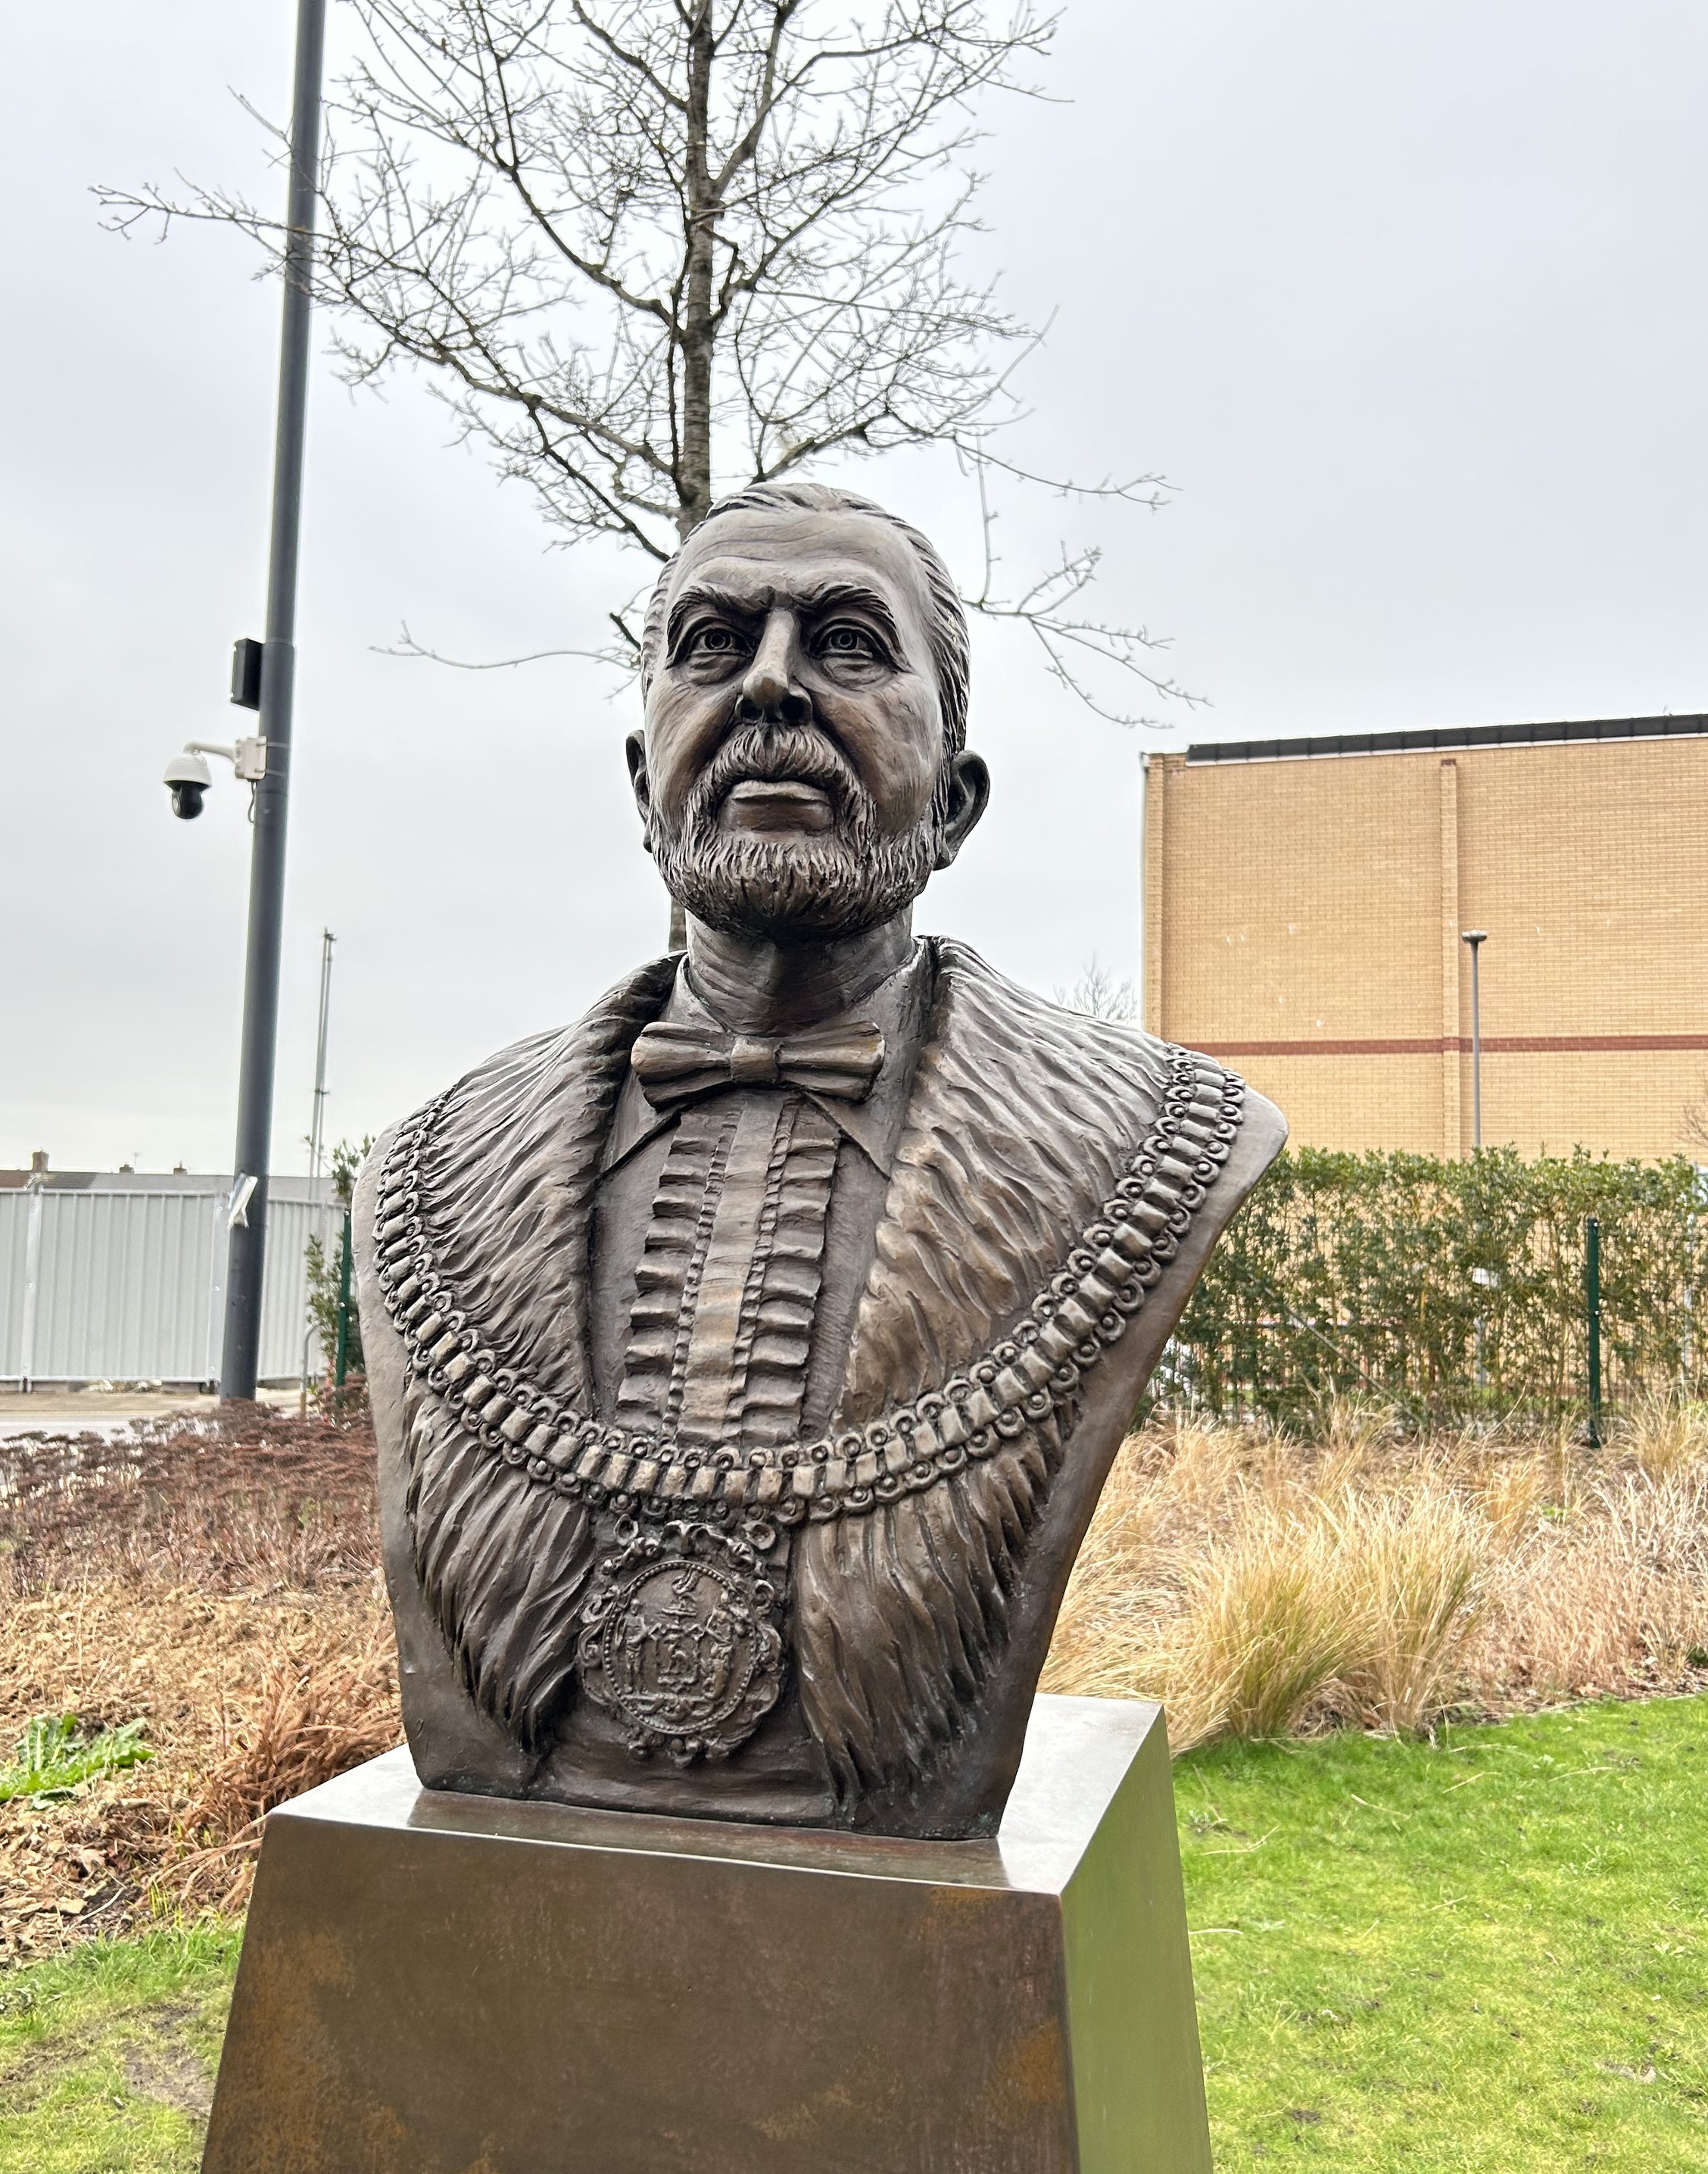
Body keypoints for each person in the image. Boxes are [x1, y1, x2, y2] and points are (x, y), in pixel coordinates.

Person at [358, 482, 1283, 1834]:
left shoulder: (1146, 1144)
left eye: (847, 642)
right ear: (642, 782)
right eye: (713, 642)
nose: (773, 685)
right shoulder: (432, 1175)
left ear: (957, 803)